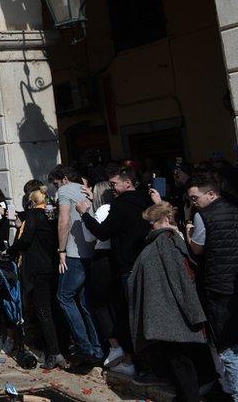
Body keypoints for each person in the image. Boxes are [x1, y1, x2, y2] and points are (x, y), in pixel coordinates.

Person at [128, 202, 213, 401]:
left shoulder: (167, 241)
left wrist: (194, 313)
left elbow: (180, 279)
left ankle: (189, 396)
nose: (150, 227)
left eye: (152, 223)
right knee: (181, 357)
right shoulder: (165, 240)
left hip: (174, 313)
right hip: (171, 311)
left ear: (165, 220)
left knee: (180, 359)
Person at [80, 166, 153, 376]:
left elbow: (102, 233)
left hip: (127, 266)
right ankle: (145, 364)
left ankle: (134, 362)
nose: (112, 188)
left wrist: (85, 214)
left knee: (127, 314)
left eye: (114, 184)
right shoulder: (144, 201)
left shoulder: (120, 204)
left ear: (127, 183)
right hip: (143, 263)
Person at [185, 173, 238, 399]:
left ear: (211, 194)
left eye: (195, 198)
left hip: (219, 286)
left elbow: (197, 249)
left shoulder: (204, 216)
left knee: (228, 344)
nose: (194, 203)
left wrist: (188, 232)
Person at [50, 165, 102, 366]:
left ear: (63, 179)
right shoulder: (84, 189)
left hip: (73, 253)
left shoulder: (65, 190)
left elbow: (64, 220)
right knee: (85, 302)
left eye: (55, 184)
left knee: (64, 297)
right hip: (91, 252)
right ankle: (96, 349)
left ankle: (84, 347)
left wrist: (61, 251)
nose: (55, 189)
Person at [8, 187, 65, 369]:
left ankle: (54, 351)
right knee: (54, 308)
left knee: (43, 311)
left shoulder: (34, 215)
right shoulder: (52, 214)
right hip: (53, 266)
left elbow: (26, 239)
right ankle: (61, 347)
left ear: (32, 202)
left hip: (38, 268)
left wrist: (10, 251)